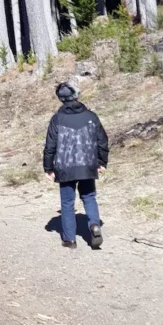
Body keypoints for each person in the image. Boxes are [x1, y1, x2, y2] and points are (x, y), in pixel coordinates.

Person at [43, 81, 109, 250]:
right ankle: (94, 224)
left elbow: (50, 146)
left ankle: (70, 239)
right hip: (87, 165)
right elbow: (102, 140)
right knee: (89, 197)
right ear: (77, 95)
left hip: (65, 168)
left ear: (60, 99)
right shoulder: (91, 116)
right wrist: (101, 162)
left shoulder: (57, 119)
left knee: (67, 203)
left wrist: (48, 168)